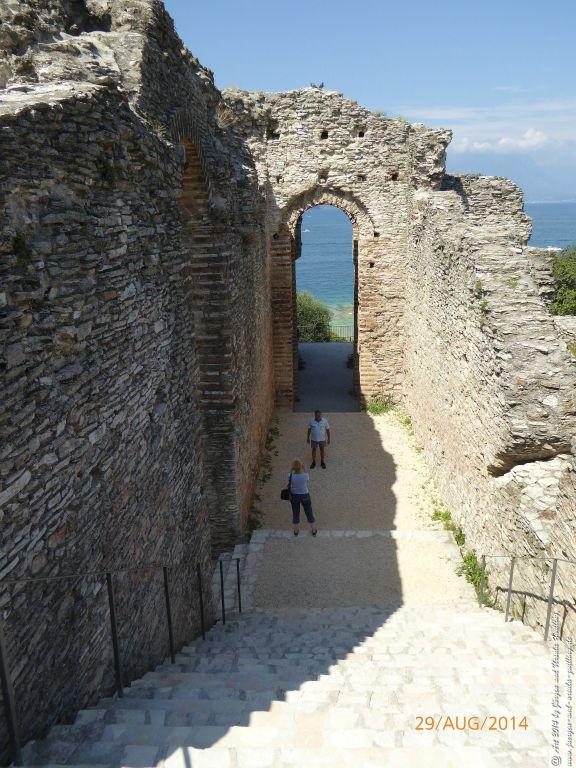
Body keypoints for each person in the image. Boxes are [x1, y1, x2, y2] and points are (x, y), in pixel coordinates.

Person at [288, 459, 317, 537]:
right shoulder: (305, 475)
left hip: (294, 496)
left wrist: (291, 470)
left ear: (293, 468)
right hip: (305, 495)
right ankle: (314, 530)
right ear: (301, 467)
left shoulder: (291, 476)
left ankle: (296, 531)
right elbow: (307, 477)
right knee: (309, 512)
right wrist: (304, 468)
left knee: (296, 513)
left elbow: (289, 478)